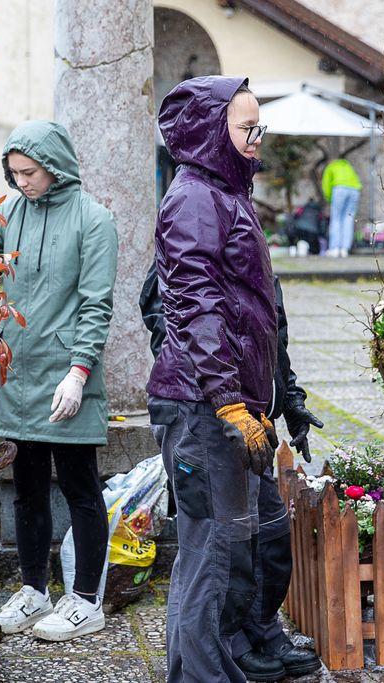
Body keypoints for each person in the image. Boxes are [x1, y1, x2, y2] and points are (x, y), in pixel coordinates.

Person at [147, 75, 278, 683]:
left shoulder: (226, 193)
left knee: (220, 551)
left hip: (220, 401)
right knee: (209, 556)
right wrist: (228, 402)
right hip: (201, 406)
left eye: (260, 127)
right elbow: (195, 302)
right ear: (209, 132)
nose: (257, 140)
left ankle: (207, 670)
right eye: (247, 127)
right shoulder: (195, 196)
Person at [142, 266, 323, 681]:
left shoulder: (243, 228)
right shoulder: (197, 219)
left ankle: (260, 632)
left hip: (252, 414)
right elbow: (174, 322)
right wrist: (211, 395)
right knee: (218, 550)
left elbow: (271, 334)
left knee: (268, 533)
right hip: (210, 412)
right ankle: (228, 649)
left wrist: (288, 397)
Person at [0, 121, 118, 642]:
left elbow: (96, 303)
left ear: (55, 166)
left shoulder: (94, 220)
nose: (22, 182)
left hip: (66, 374)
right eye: (14, 173)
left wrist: (80, 372)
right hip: (18, 369)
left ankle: (86, 601)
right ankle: (35, 591)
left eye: (30, 172)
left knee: (82, 484)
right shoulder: (10, 210)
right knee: (28, 487)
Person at [321, 157, 362, 258]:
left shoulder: (330, 167)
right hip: (354, 190)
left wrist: (329, 198)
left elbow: (325, 185)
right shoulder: (347, 165)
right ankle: (345, 249)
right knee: (349, 219)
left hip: (339, 189)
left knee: (336, 219)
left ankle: (335, 248)